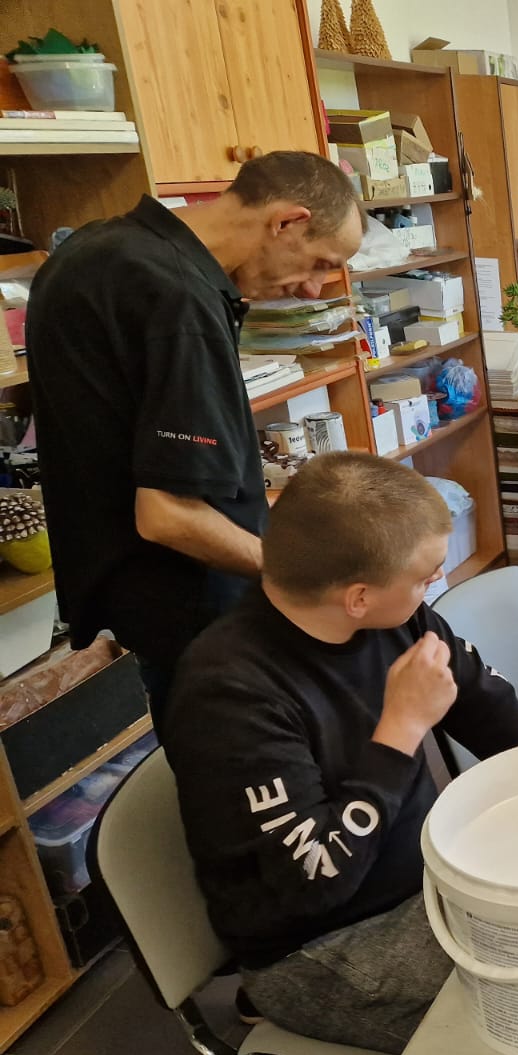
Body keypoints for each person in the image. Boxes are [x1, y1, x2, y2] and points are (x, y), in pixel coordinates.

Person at [163, 454, 518, 1053]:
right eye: (425, 576)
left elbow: (487, 706)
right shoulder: (229, 694)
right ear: (359, 596)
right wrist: (400, 728)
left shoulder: (394, 619)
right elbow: (316, 880)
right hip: (322, 945)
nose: (436, 584)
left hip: (424, 876)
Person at [28, 151, 364, 730]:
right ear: (287, 221)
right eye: (319, 263)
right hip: (192, 608)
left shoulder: (94, 248)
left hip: (140, 598)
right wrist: (295, 575)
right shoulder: (180, 298)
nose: (313, 290)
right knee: (238, 767)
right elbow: (167, 515)